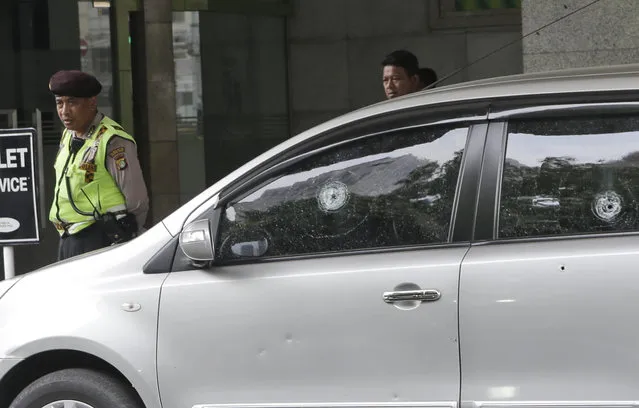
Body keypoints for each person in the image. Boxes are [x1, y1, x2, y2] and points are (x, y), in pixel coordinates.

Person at [48, 70, 149, 261]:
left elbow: (137, 201)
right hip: (69, 237)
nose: (64, 111)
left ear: (92, 102)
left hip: (101, 238)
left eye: (72, 102)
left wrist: (129, 241)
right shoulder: (68, 134)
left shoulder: (112, 140)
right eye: (59, 103)